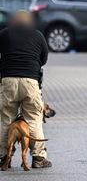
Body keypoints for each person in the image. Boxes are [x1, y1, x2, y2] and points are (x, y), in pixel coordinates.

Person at [0, 10, 52, 168]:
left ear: (14, 21)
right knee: (34, 119)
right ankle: (38, 158)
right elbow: (44, 58)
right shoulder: (38, 35)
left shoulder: (4, 34)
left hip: (8, 80)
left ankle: (3, 157)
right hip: (30, 81)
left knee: (5, 119)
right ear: (29, 22)